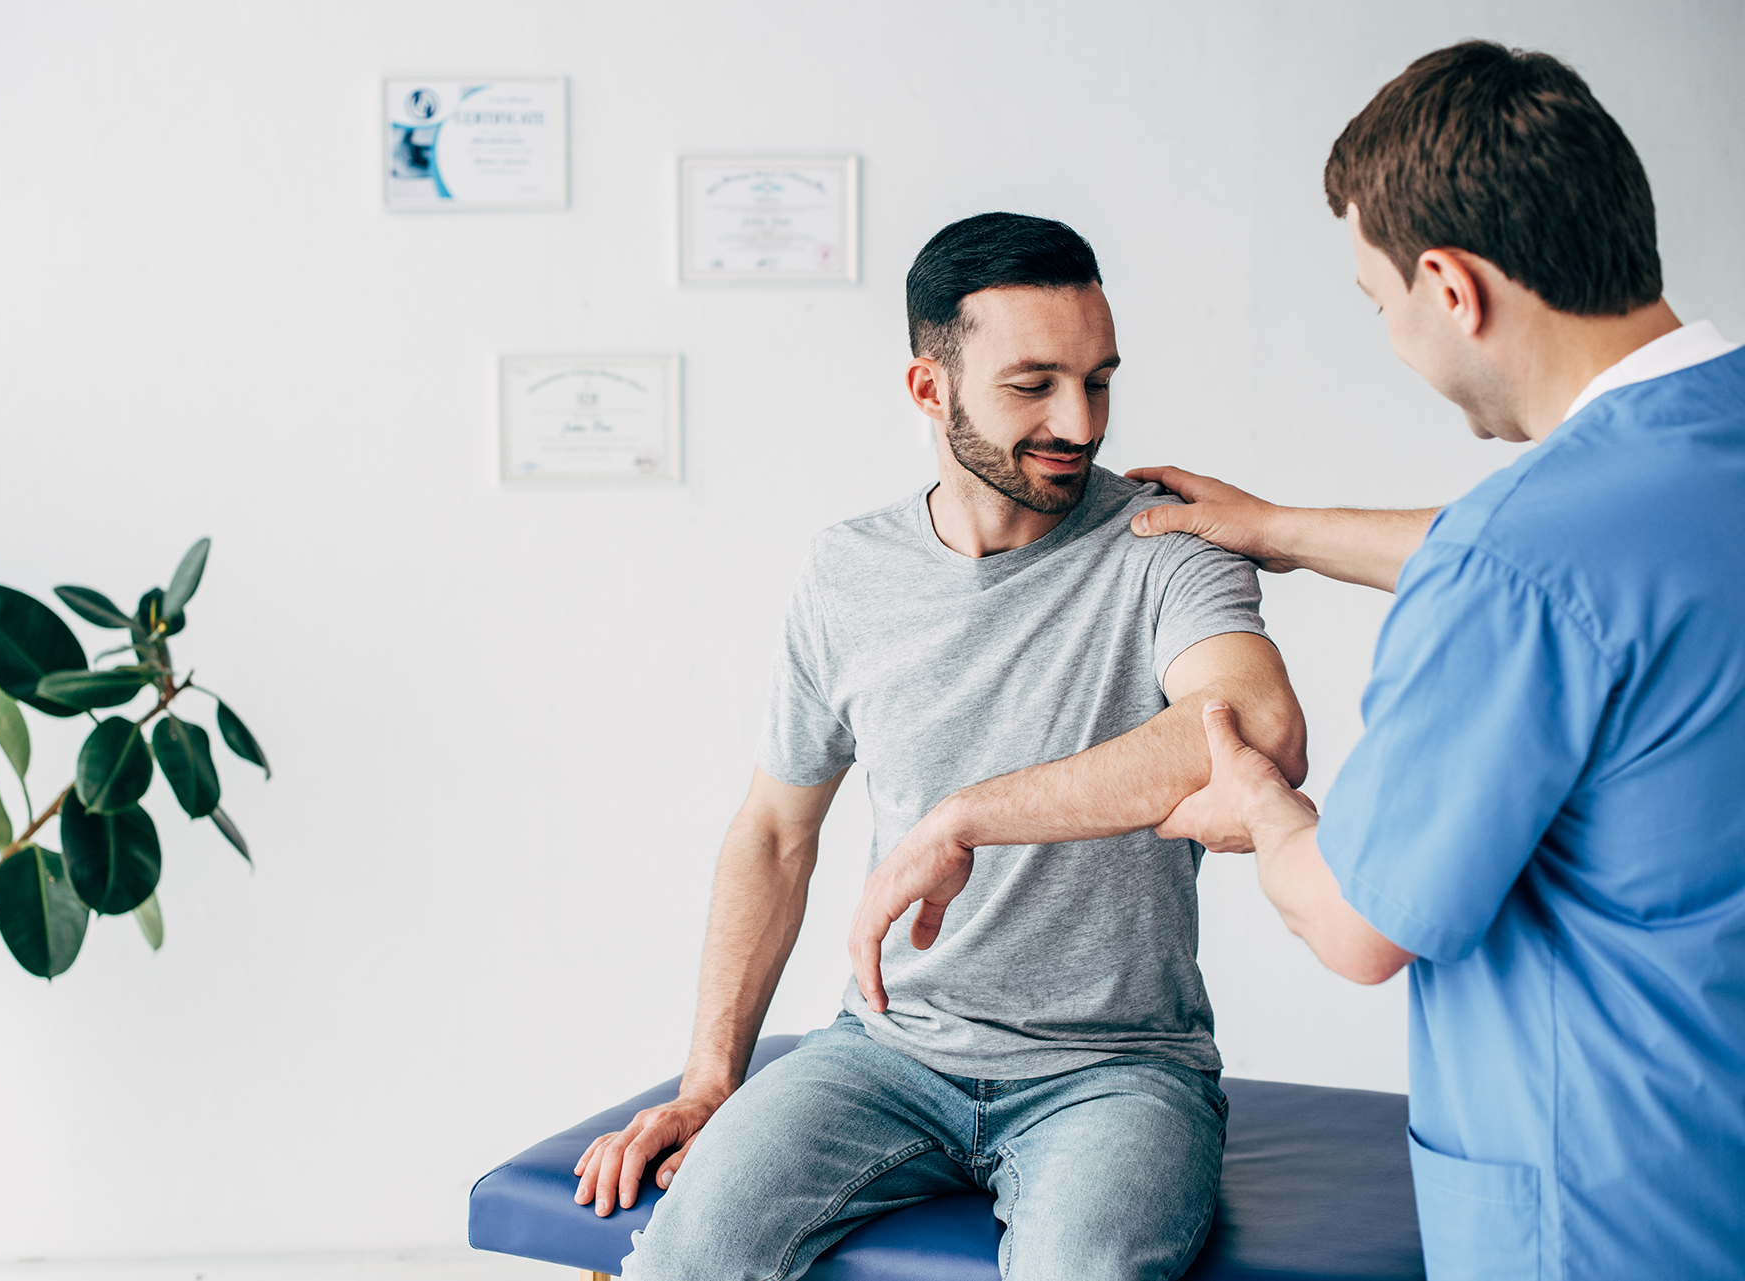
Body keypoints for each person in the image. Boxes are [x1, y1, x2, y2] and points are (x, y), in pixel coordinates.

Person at [853, 43, 1745, 1280]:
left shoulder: (1518, 565)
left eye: (1379, 302)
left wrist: (1268, 816)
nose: (1389, 338)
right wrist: (1281, 530)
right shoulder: (1694, 467)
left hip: (1607, 1210)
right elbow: (1605, 550)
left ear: (1451, 286)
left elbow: (1357, 923)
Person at [572, 212, 1309, 1280]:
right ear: (929, 388)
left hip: (1115, 1070)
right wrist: (707, 1080)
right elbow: (777, 832)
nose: (1080, 419)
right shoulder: (846, 573)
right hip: (886, 1052)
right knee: (682, 1258)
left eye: (1100, 380)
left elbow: (1254, 731)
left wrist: (966, 816)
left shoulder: (1165, 542)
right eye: (1034, 384)